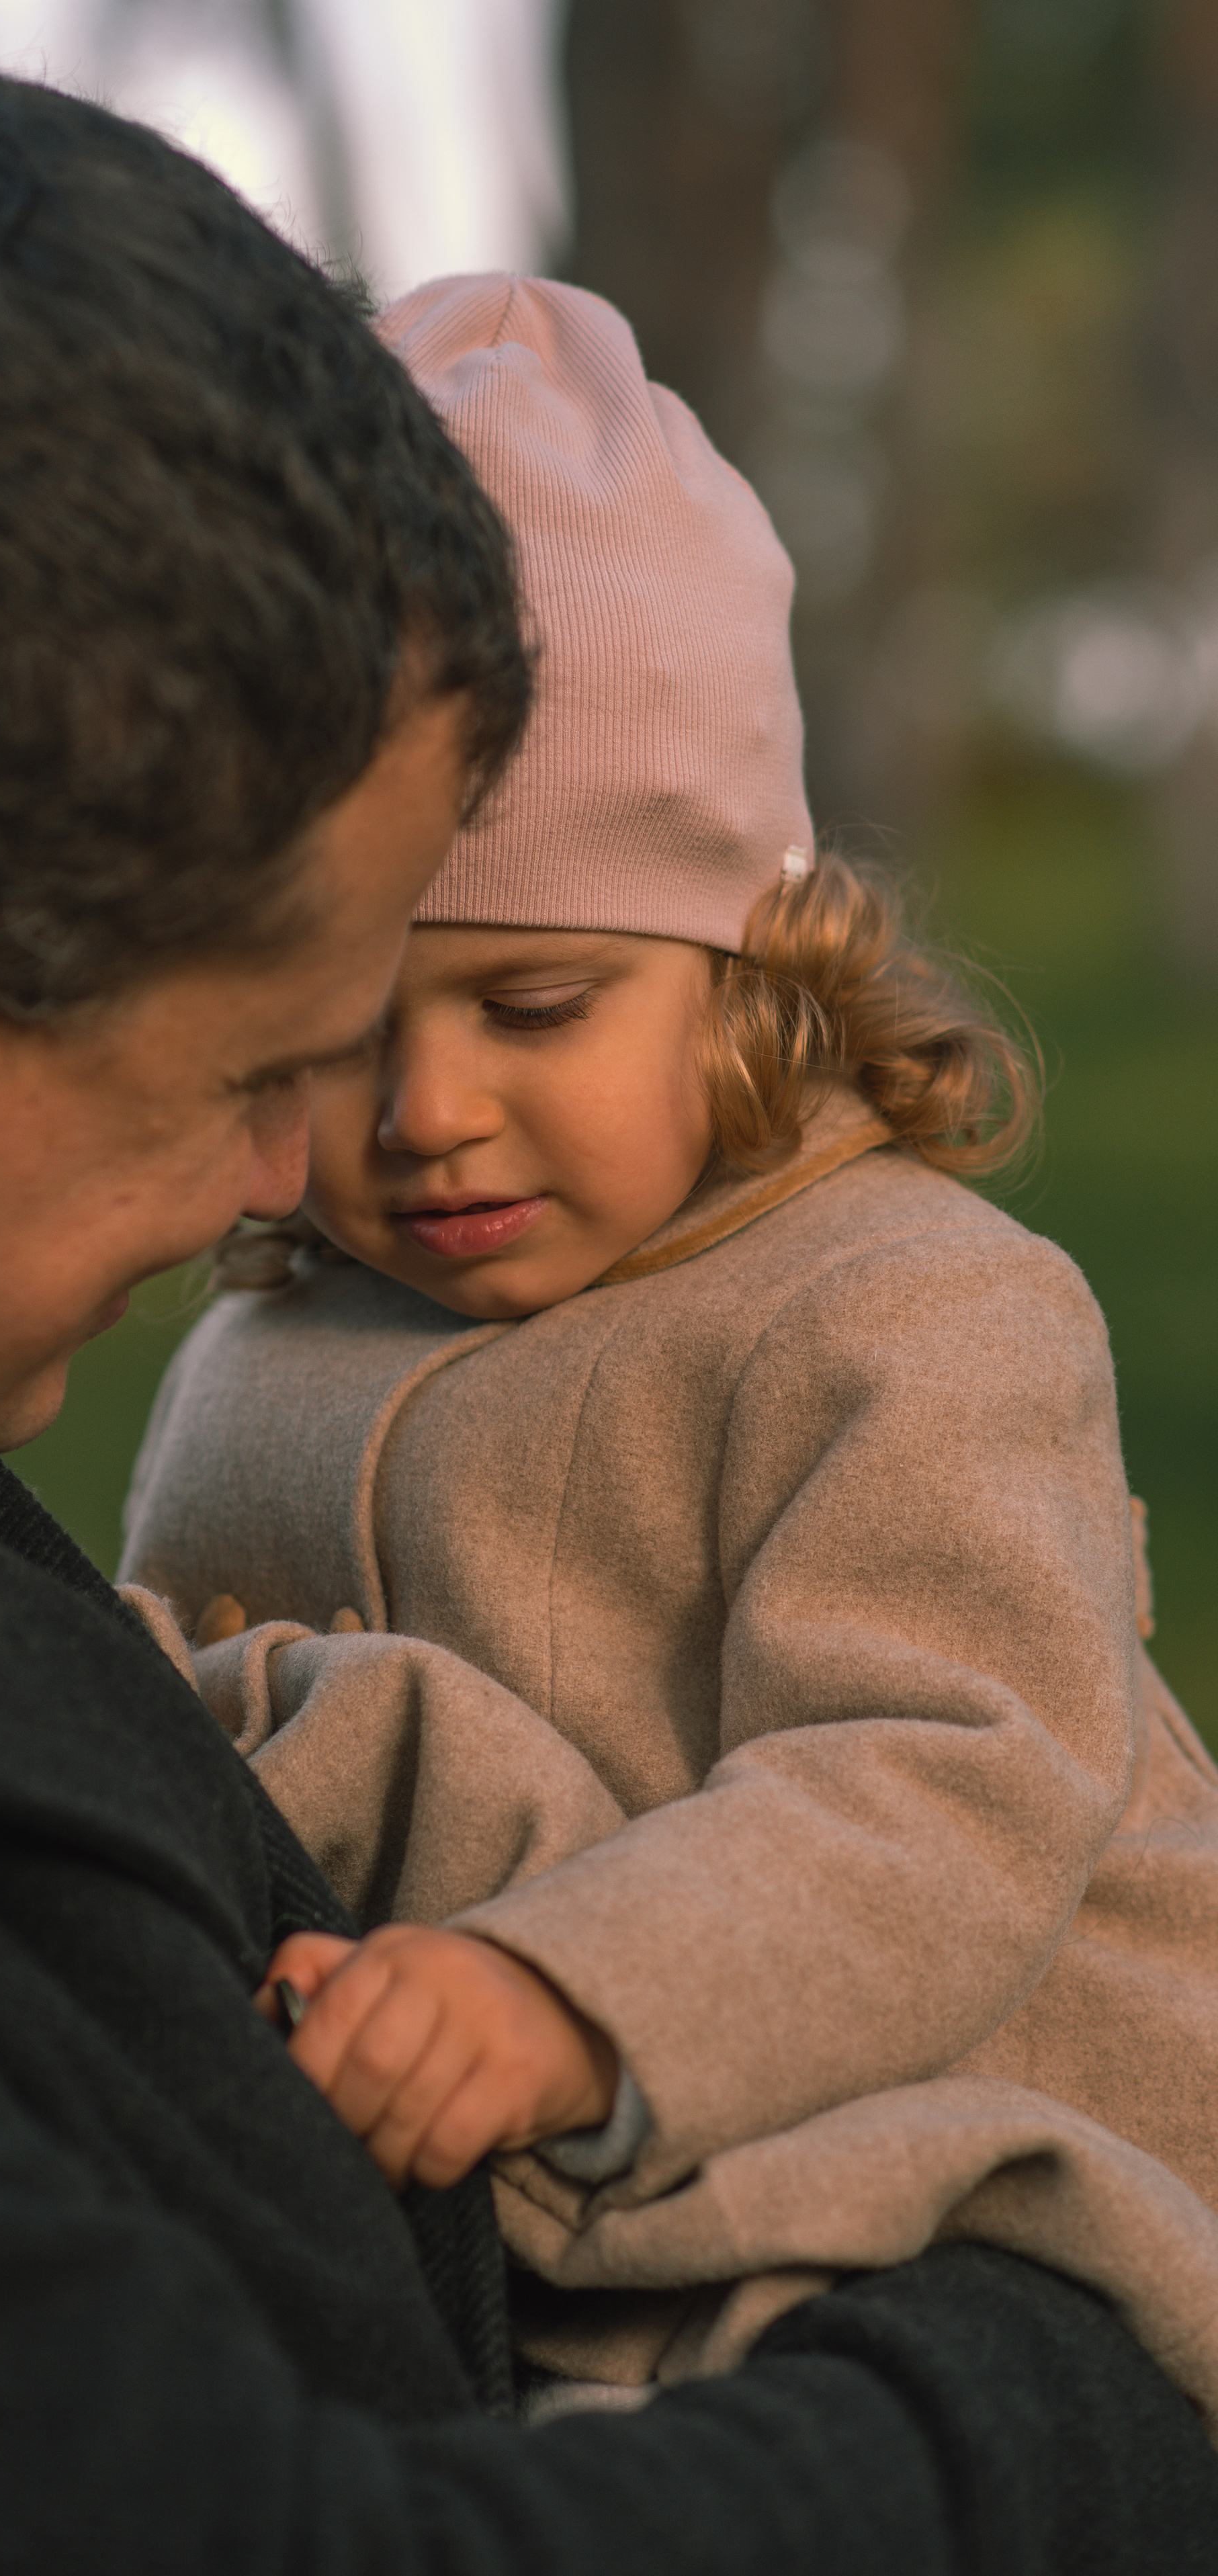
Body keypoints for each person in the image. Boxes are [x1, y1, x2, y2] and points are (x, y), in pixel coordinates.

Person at [0, 71, 1213, 2576]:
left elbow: (945, 1765)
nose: (300, 1177)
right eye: (259, 1064)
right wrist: (1052, 2385)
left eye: (514, 1002)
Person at [120, 275, 1218, 2418]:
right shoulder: (255, 1352)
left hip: (971, 2155)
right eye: (342, 1030)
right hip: (514, 2191)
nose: (427, 1113)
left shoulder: (908, 1310)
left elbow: (942, 1776)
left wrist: (569, 1991)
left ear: (754, 964)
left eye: (538, 1007)